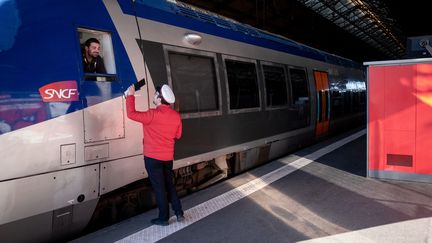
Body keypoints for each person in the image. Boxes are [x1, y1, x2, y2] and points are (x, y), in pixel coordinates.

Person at [125, 84, 184, 226]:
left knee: (159, 189)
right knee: (169, 185)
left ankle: (163, 218)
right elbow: (178, 135)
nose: (153, 96)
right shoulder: (176, 116)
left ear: (159, 98)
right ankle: (179, 212)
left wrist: (130, 95)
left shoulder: (152, 114)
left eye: (155, 94)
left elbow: (131, 114)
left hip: (152, 159)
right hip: (168, 158)